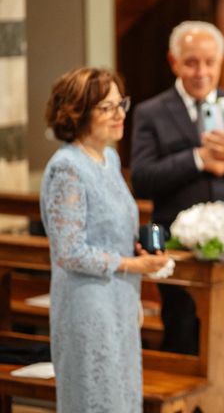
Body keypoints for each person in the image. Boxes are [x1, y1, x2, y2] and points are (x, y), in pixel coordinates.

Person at [130, 20, 224, 404]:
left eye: (210, 62)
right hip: (176, 241)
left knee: (222, 333)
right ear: (174, 62)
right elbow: (142, 179)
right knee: (180, 328)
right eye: (191, 62)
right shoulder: (152, 111)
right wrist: (196, 158)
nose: (202, 72)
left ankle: (217, 404)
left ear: (221, 61)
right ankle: (179, 406)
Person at [41, 67, 170, 412]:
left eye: (121, 104)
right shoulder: (67, 168)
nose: (120, 114)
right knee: (96, 399)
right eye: (107, 107)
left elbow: (107, 228)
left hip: (119, 299)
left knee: (123, 397)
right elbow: (68, 251)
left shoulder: (108, 158)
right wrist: (132, 263)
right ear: (78, 113)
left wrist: (139, 251)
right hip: (87, 305)